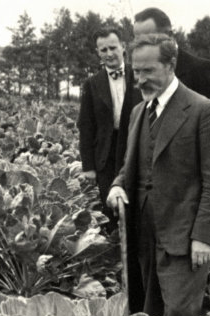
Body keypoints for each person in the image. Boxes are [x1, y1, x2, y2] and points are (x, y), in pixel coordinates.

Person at [106, 33, 210, 316]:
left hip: (185, 237)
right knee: (149, 312)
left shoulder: (203, 110)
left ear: (171, 65)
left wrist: (204, 235)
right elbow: (130, 167)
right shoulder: (138, 112)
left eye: (148, 71)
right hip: (143, 232)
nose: (140, 79)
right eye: (136, 72)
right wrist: (118, 184)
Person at [133, 7, 210, 146]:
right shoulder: (137, 75)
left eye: (149, 40)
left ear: (169, 35)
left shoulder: (200, 70)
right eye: (138, 41)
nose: (142, 47)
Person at [78, 27, 142, 230]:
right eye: (103, 50)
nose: (109, 54)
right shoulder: (92, 83)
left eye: (112, 48)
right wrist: (88, 167)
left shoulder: (140, 75)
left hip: (136, 145)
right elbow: (86, 127)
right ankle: (114, 250)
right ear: (98, 53)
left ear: (123, 47)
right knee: (110, 203)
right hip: (106, 152)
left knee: (137, 201)